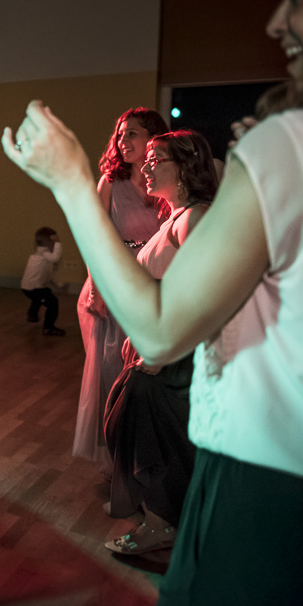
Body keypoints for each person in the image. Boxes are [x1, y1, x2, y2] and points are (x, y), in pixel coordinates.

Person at [2, 0, 303, 606]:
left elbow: (157, 331)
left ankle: (152, 513)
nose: (274, 22)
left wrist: (66, 177)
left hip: (268, 471)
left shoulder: (293, 142)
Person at [102, 130, 218, 555]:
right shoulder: (176, 215)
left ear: (186, 166)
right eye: (146, 158)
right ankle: (159, 520)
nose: (145, 166)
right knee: (135, 430)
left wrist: (164, 348)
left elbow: (205, 292)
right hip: (156, 350)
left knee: (154, 441)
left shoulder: (196, 216)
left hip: (171, 362)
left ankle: (161, 526)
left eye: (157, 158)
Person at [73, 108, 169, 473]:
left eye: (133, 133)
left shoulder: (161, 183)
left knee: (143, 375)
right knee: (110, 375)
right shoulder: (109, 183)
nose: (123, 141)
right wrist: (97, 290)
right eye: (120, 134)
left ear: (153, 139)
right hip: (108, 286)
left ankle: (144, 455)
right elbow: (95, 241)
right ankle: (117, 458)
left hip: (150, 287)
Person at [20, 226, 64, 335]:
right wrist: (58, 243)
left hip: (28, 287)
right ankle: (49, 327)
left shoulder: (37, 255)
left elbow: (48, 273)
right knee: (53, 303)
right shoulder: (45, 254)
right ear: (50, 242)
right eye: (54, 242)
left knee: (40, 297)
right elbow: (55, 258)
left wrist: (58, 283)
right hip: (34, 288)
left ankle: (32, 315)